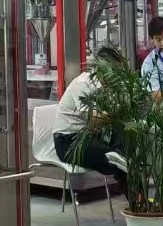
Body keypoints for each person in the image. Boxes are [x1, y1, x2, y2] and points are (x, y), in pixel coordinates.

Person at [51, 46, 127, 181]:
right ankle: (133, 190)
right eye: (115, 71)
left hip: (91, 137)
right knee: (115, 161)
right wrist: (118, 112)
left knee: (124, 148)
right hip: (69, 142)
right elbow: (95, 119)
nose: (117, 76)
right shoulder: (84, 83)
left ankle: (123, 162)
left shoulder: (108, 86)